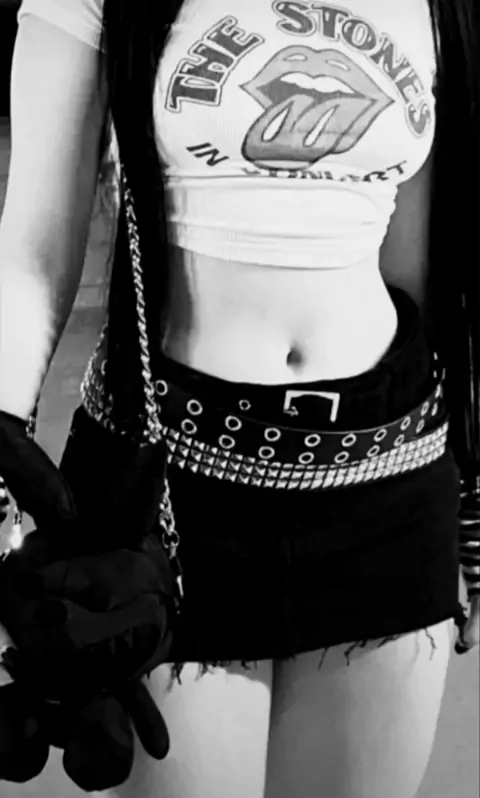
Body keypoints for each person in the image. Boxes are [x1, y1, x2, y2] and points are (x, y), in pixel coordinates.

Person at [0, 0, 479, 796]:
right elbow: (34, 251)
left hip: (387, 481)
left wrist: (467, 499)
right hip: (163, 493)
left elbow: (420, 273)